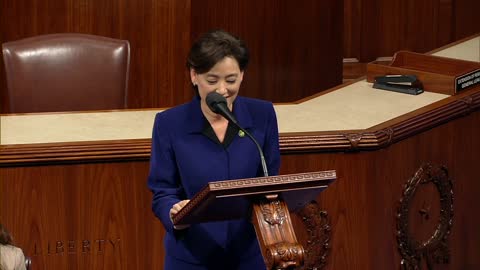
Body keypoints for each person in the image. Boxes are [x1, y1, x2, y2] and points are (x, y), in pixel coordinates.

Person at [147, 29, 280, 270]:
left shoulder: (262, 116)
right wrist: (174, 212)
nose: (222, 90)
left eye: (231, 79)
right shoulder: (169, 123)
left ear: (242, 76)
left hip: (248, 254)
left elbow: (269, 180)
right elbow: (162, 190)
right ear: (194, 75)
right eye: (212, 80)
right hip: (191, 255)